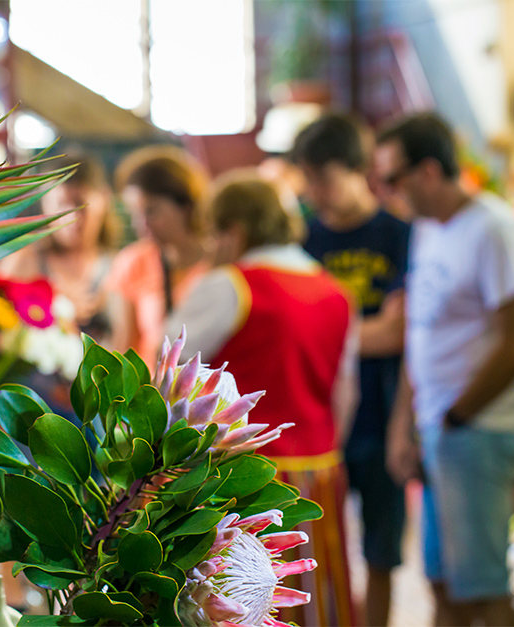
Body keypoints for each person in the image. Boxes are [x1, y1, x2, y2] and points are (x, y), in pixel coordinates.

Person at [166, 174, 359, 627]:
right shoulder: (336, 292)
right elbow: (346, 395)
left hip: (245, 480)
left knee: (239, 603)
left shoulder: (232, 285)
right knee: (318, 599)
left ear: (233, 230)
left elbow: (166, 370)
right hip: (322, 469)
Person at [377, 113, 514, 627]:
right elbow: (420, 335)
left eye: (393, 179)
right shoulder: (427, 230)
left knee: (482, 588)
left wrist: (457, 416)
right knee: (443, 582)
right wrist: (405, 424)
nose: (390, 192)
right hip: (438, 425)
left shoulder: (493, 227)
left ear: (427, 170)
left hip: (476, 429)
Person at [292, 113, 411, 627]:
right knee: (316, 546)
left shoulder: (398, 235)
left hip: (384, 412)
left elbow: (397, 331)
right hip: (319, 419)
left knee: (381, 551)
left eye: (324, 177)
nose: (314, 191)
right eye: (308, 178)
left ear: (358, 169)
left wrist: (323, 334)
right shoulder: (304, 241)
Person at [0, 153, 120, 345]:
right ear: (45, 205)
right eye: (61, 206)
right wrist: (56, 310)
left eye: (81, 204)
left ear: (103, 199)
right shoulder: (23, 261)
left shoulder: (119, 267)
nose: (71, 217)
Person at [106, 145, 210, 367]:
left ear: (186, 205)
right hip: (151, 393)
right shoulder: (133, 261)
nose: (141, 224)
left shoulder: (219, 263)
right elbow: (124, 348)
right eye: (135, 214)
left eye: (151, 211)